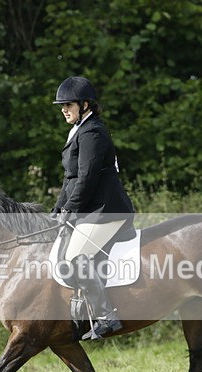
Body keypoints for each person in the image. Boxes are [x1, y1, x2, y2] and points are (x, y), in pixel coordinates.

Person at [50, 76, 135, 340]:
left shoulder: (93, 132)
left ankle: (107, 317)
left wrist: (71, 210)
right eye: (62, 105)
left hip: (107, 210)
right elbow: (70, 179)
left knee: (74, 257)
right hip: (92, 210)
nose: (64, 109)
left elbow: (87, 177)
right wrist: (57, 210)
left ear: (85, 104)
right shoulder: (78, 130)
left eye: (68, 104)